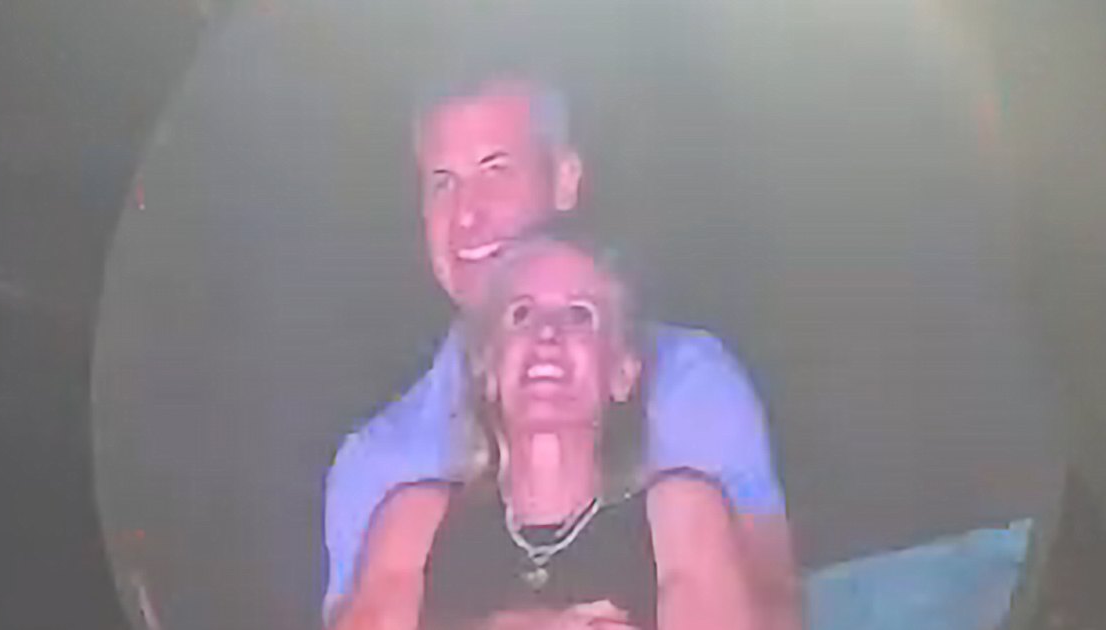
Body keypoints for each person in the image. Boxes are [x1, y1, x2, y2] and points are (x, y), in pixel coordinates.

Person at [324, 72, 800, 627]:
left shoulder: (689, 397)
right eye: (443, 184)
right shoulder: (385, 477)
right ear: (486, 368)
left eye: (496, 171)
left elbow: (774, 609)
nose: (468, 216)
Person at [332, 231, 762, 630]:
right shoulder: (415, 524)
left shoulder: (682, 516)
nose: (548, 333)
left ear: (622, 373)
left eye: (580, 314)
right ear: (488, 369)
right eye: (521, 314)